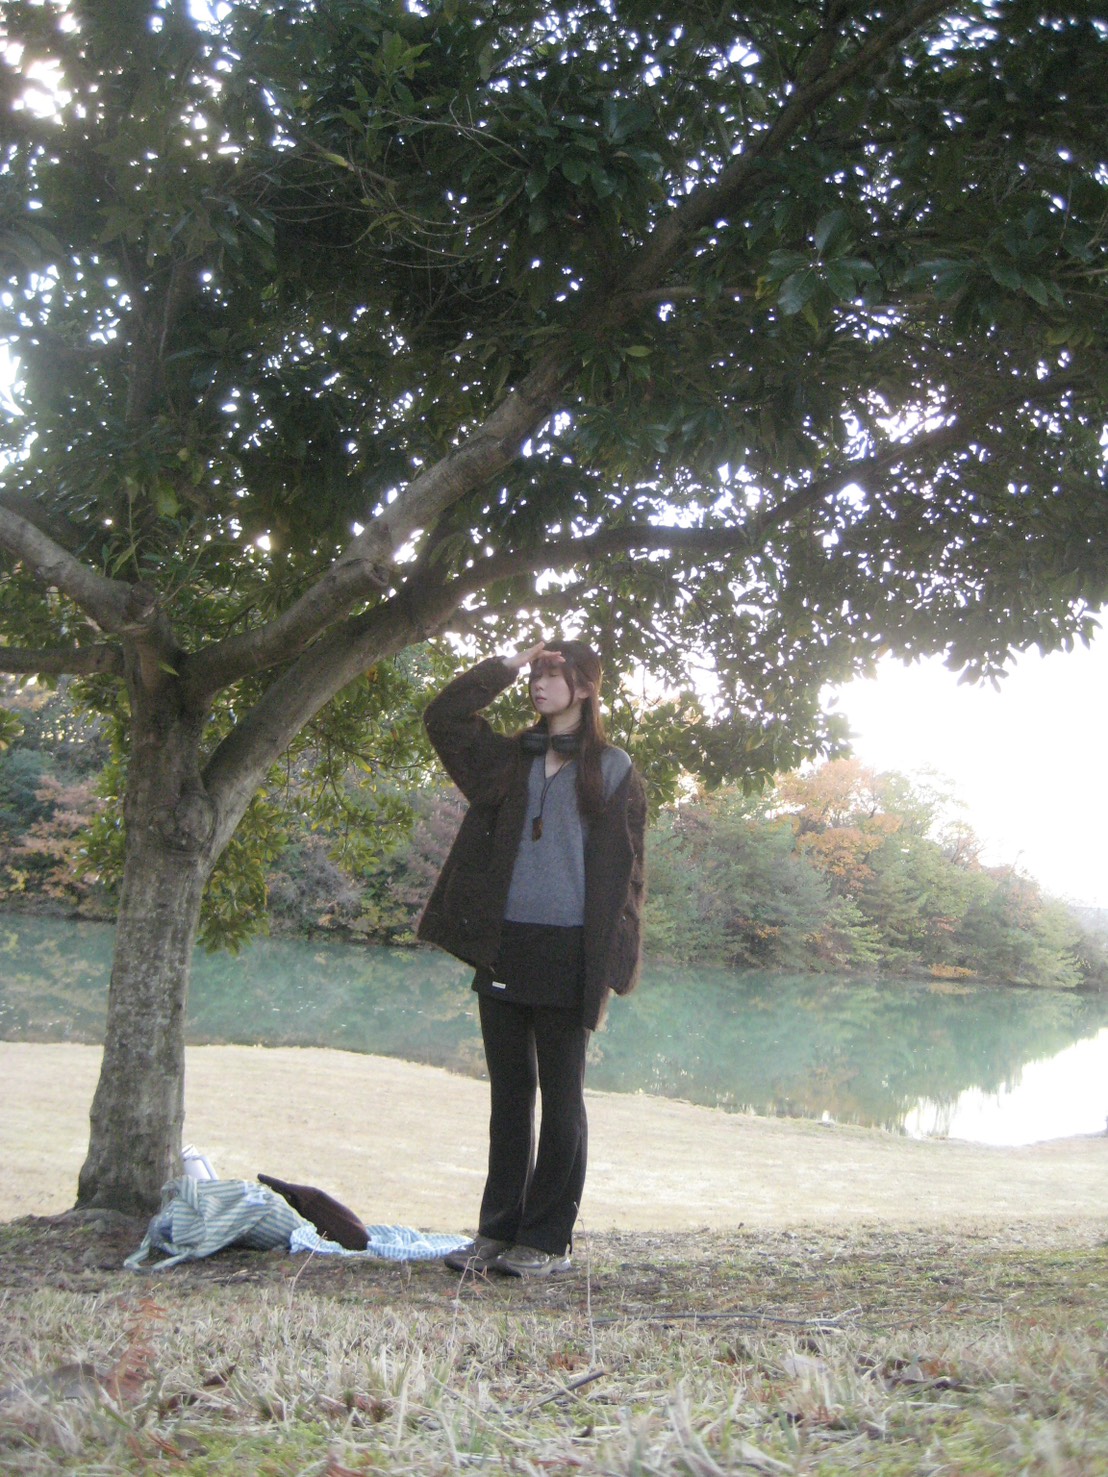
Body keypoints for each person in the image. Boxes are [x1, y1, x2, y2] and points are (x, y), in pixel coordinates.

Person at [418, 638, 646, 1277]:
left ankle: (546, 1242)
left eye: (551, 674)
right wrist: (507, 664)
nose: (538, 685)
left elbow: (627, 877)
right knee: (509, 1095)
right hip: (504, 944)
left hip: (570, 951)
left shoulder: (614, 768)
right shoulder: (509, 759)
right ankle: (496, 1232)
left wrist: (612, 963)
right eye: (535, 675)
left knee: (563, 1097)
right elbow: (443, 717)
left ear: (586, 687)